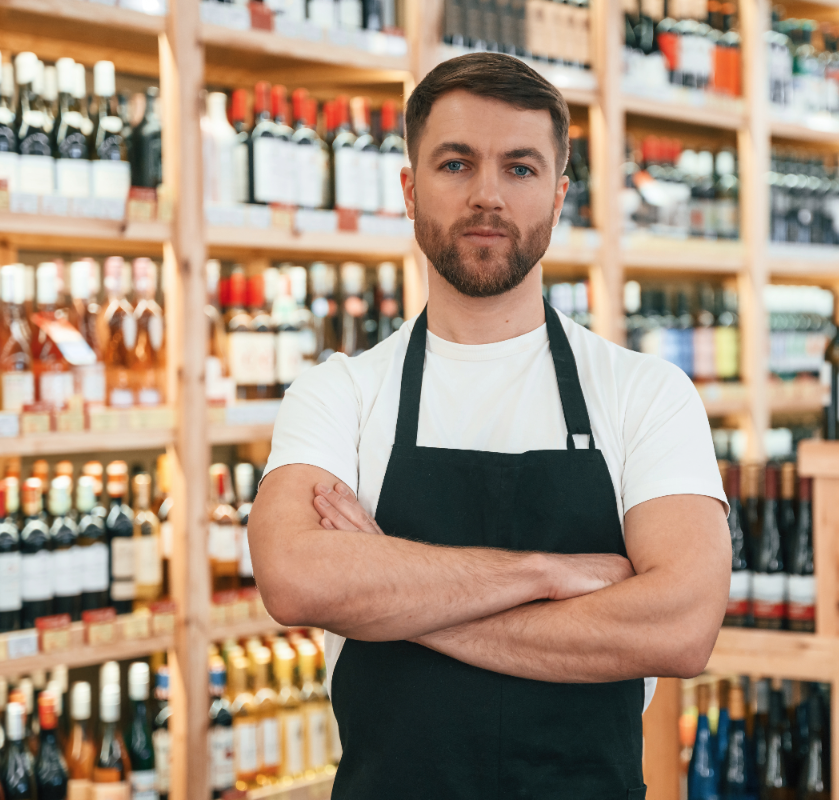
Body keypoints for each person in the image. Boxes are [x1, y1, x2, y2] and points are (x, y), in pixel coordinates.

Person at [249, 52, 730, 799]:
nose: (487, 196)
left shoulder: (645, 394)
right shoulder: (339, 391)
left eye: (520, 168)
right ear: (409, 190)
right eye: (455, 164)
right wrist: (547, 574)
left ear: (560, 195)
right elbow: (294, 577)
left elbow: (682, 626)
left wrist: (400, 600)